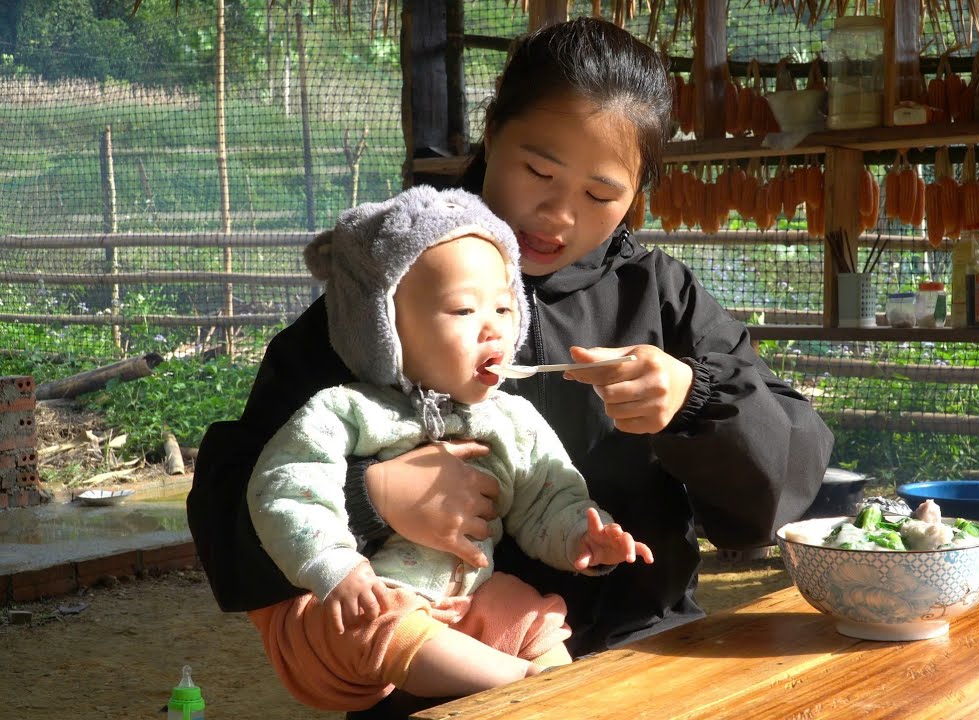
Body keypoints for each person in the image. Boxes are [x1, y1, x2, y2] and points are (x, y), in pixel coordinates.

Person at [188, 15, 834, 718]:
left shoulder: (658, 297)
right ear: (492, 132)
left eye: (600, 195)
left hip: (640, 659)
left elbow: (783, 486)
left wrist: (694, 398)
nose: (557, 214)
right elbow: (229, 503)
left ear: (637, 192)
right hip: (435, 682)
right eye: (538, 171)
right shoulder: (391, 291)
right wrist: (369, 497)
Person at [243, 185, 654, 711]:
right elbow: (286, 484)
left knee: (531, 614)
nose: (493, 329)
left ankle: (562, 695)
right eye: (463, 309)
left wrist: (583, 536)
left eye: (504, 307)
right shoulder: (347, 409)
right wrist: (335, 565)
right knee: (380, 620)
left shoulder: (511, 419)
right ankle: (521, 682)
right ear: (384, 326)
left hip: (466, 601)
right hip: (359, 600)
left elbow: (547, 498)